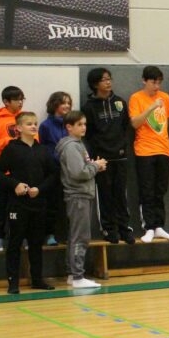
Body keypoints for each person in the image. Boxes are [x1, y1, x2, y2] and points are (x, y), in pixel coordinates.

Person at [0, 111, 59, 293]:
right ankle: (13, 282)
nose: (33, 126)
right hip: (18, 204)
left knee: (36, 243)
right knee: (14, 243)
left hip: (38, 204)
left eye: (35, 123)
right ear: (19, 128)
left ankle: (37, 279)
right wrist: (15, 184)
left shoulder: (42, 150)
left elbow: (53, 174)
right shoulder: (12, 149)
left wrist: (40, 189)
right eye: (29, 123)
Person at [82, 68, 134, 244]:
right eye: (104, 80)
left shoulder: (119, 102)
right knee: (105, 196)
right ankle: (109, 229)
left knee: (121, 195)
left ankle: (124, 228)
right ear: (95, 83)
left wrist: (121, 146)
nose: (108, 82)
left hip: (120, 155)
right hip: (101, 159)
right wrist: (96, 154)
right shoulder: (89, 107)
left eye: (109, 79)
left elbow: (125, 126)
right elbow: (88, 133)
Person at [56, 111, 107, 289]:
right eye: (79, 124)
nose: (83, 127)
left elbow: (83, 168)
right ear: (69, 127)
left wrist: (93, 167)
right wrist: (95, 166)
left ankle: (73, 274)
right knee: (81, 237)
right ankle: (78, 276)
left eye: (84, 124)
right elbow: (78, 173)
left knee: (75, 236)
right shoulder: (71, 147)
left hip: (81, 194)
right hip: (78, 195)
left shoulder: (78, 144)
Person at [129, 66, 169, 243]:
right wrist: (151, 107)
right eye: (153, 82)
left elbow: (166, 123)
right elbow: (135, 123)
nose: (156, 86)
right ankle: (148, 227)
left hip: (163, 149)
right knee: (147, 190)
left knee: (160, 191)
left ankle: (159, 226)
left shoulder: (165, 97)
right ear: (144, 81)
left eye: (159, 83)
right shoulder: (136, 98)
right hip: (144, 150)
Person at [0, 85, 26, 251]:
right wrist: (10, 141)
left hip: (23, 168)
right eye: (17, 100)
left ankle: (22, 237)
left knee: (22, 206)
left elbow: (35, 139)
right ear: (6, 101)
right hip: (4, 170)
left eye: (22, 99)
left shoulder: (25, 117)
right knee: (2, 205)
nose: (20, 103)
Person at [38, 91, 72, 246]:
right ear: (54, 104)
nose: (67, 106)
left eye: (69, 103)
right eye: (63, 102)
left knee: (69, 204)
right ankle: (50, 234)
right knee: (52, 203)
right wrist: (54, 161)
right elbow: (43, 148)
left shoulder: (71, 123)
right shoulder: (45, 125)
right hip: (53, 169)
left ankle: (68, 234)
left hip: (70, 170)